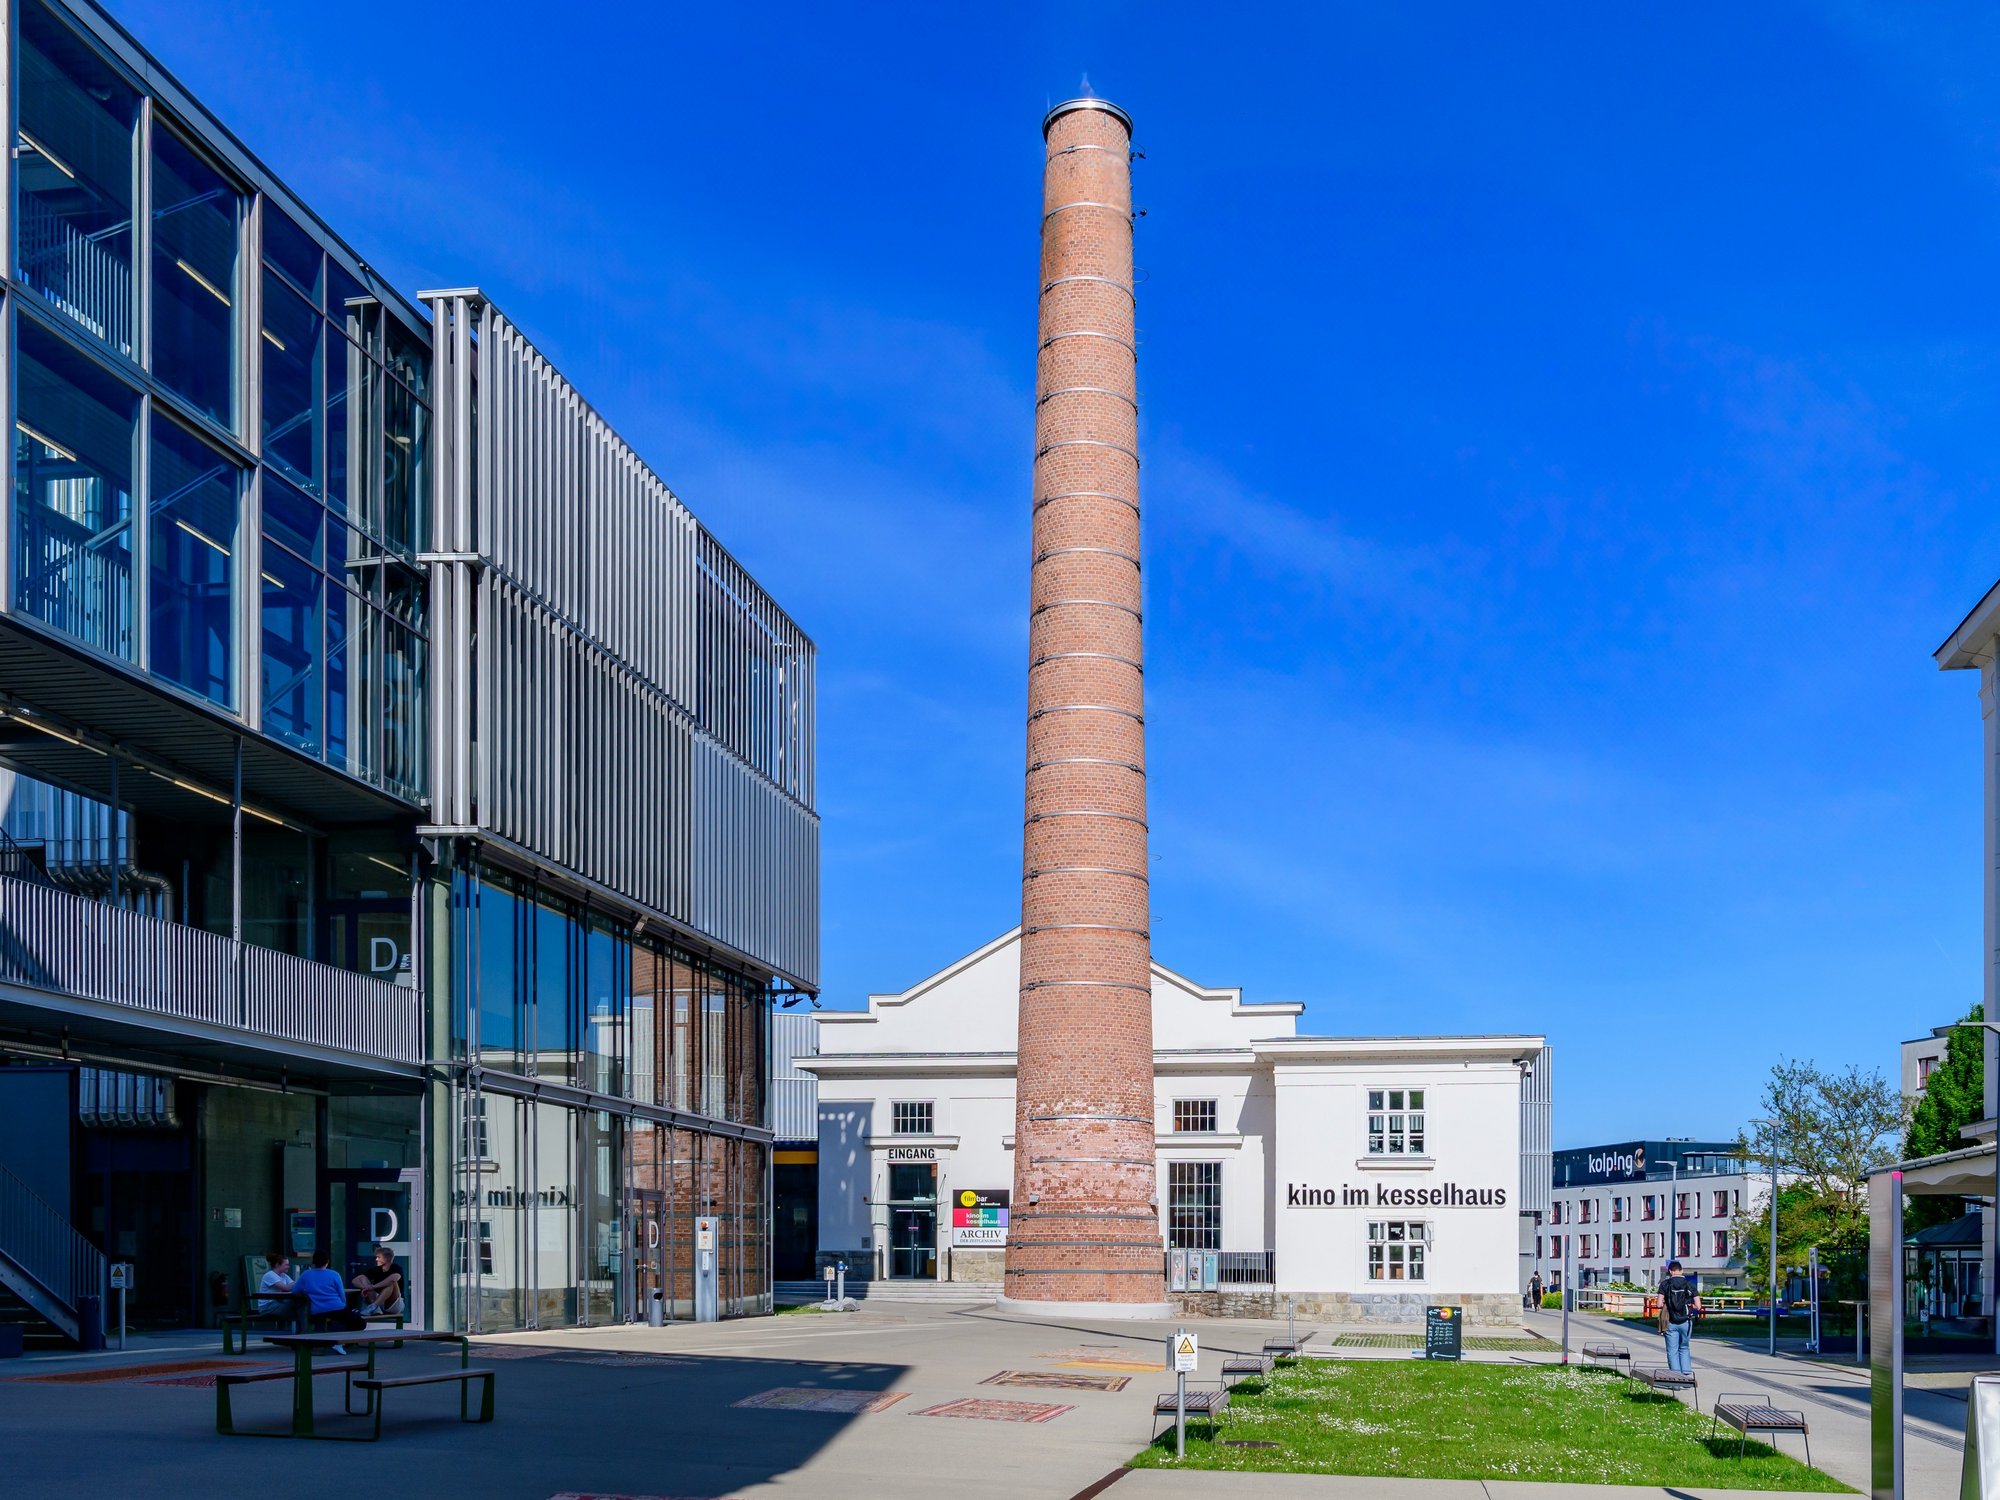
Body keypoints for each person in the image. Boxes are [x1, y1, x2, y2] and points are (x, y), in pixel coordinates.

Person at [294, 1249, 363, 1353]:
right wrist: (344, 1305)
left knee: (344, 1319)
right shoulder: (334, 1274)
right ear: (327, 1262)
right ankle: (341, 1342)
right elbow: (341, 1293)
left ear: (314, 1262)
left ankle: (338, 1342)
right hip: (336, 1307)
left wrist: (306, 1291)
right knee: (359, 1322)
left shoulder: (306, 1275)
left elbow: (295, 1290)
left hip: (317, 1310)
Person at [1659, 1258, 1702, 1376]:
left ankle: (1676, 1379)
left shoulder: (1665, 1284)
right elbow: (1698, 1306)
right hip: (1686, 1322)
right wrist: (1690, 1305)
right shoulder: (1690, 1285)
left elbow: (1658, 1304)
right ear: (1681, 1270)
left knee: (1672, 1351)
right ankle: (1687, 1376)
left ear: (1670, 1271)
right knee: (1684, 1348)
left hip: (1670, 1321)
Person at [351, 1246, 405, 1318]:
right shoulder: (376, 1269)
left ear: (387, 1258)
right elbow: (355, 1280)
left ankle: (373, 1306)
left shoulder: (395, 1267)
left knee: (391, 1283)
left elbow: (394, 1278)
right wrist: (365, 1287)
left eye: (379, 1257)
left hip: (394, 1304)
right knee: (363, 1278)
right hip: (380, 1302)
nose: (376, 1259)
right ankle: (375, 1307)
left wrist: (373, 1287)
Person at [257, 1252, 300, 1331]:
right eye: (286, 1264)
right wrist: (294, 1284)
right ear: (277, 1265)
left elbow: (295, 1286)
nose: (288, 1267)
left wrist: (294, 1285)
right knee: (296, 1309)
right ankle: (297, 1333)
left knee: (298, 1306)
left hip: (278, 1303)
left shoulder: (283, 1275)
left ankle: (289, 1331)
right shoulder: (269, 1275)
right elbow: (286, 1288)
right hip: (267, 1306)